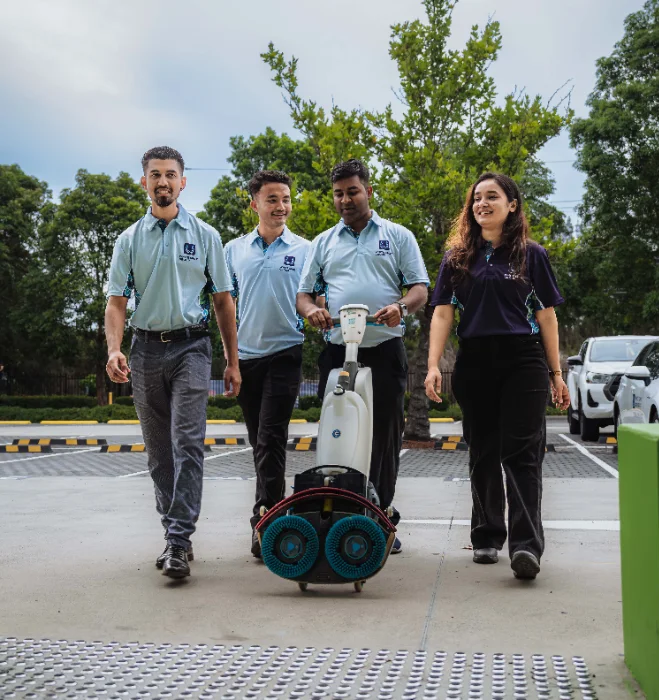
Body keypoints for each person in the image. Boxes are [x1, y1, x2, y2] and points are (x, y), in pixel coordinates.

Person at [424, 172, 570, 580]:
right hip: (475, 362)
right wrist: (434, 365)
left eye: (493, 197)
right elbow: (442, 313)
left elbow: (546, 316)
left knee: (522, 453)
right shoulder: (457, 258)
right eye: (476, 199)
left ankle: (526, 548)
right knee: (483, 451)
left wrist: (556, 375)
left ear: (512, 205)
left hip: (523, 360)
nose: (482, 204)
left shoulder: (531, 255)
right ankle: (487, 535)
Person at [105, 146, 239, 580]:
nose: (163, 181)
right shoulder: (128, 240)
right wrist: (114, 348)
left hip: (192, 349)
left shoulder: (205, 236)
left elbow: (222, 301)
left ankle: (178, 541)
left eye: (171, 174)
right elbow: (116, 302)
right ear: (144, 182)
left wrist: (231, 361)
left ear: (183, 182)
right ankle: (174, 534)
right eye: (155, 174)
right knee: (160, 456)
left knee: (188, 446)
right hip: (145, 351)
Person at [297, 158, 429, 553]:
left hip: (384, 349)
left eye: (352, 191)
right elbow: (304, 294)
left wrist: (401, 308)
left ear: (369, 191)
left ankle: (382, 518)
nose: (345, 199)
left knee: (384, 437)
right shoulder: (323, 243)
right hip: (338, 351)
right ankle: (336, 512)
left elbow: (420, 288)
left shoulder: (397, 236)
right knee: (337, 432)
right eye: (338, 193)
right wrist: (312, 312)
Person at [223, 170, 312, 559]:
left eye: (286, 199)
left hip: (286, 353)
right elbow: (226, 305)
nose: (281, 207)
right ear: (254, 203)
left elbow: (315, 297)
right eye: (273, 199)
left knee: (271, 437)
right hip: (247, 358)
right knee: (259, 438)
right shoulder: (234, 250)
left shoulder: (306, 249)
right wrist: (231, 360)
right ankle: (270, 512)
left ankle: (267, 522)